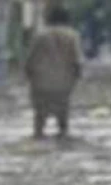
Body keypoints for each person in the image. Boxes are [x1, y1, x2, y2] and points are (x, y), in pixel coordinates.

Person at [25, 6, 84, 140]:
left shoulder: (40, 35)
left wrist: (29, 77)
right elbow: (78, 60)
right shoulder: (73, 36)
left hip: (40, 83)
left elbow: (30, 59)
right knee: (63, 118)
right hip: (64, 84)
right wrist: (76, 78)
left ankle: (38, 137)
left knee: (39, 118)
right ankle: (62, 138)